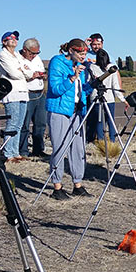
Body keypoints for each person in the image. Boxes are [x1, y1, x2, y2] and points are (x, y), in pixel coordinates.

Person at [46, 38, 93, 200]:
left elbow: (82, 91)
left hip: (77, 111)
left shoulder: (82, 68)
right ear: (71, 51)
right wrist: (72, 77)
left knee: (78, 148)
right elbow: (55, 89)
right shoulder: (57, 63)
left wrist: (94, 83)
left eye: (85, 54)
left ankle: (77, 184)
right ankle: (57, 186)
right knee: (60, 147)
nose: (83, 56)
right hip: (60, 110)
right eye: (80, 53)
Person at [0, 31, 31, 162]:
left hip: (23, 91)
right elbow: (13, 74)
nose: (14, 40)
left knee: (19, 124)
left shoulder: (17, 55)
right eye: (11, 38)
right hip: (11, 92)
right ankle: (7, 153)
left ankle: (15, 152)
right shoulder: (2, 55)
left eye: (16, 38)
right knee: (12, 123)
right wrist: (22, 71)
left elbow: (28, 70)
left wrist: (22, 70)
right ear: (4, 42)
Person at [18, 37, 48, 158]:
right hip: (27, 93)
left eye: (37, 53)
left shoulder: (37, 59)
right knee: (25, 124)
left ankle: (38, 149)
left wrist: (43, 75)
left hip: (40, 93)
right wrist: (31, 76)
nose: (34, 55)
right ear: (25, 50)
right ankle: (23, 151)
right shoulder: (18, 59)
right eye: (32, 53)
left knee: (41, 123)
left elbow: (41, 71)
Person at [88, 53, 127, 142]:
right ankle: (110, 141)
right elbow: (115, 85)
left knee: (100, 121)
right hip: (106, 98)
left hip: (98, 98)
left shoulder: (93, 67)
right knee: (110, 120)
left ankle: (102, 141)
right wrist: (122, 99)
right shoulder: (109, 67)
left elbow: (89, 82)